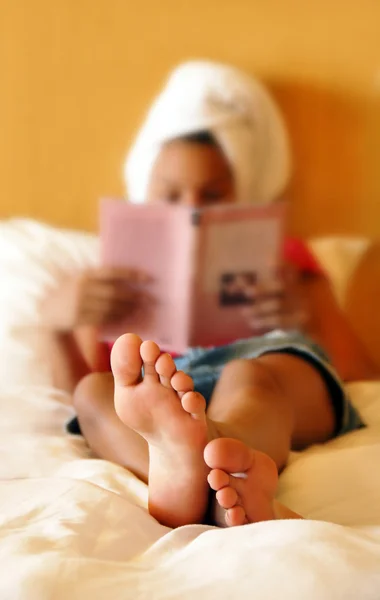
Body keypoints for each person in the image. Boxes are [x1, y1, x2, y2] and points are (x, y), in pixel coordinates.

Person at [44, 61, 378, 529]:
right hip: (168, 387)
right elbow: (72, 391)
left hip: (268, 367)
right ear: (145, 193)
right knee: (91, 393)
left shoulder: (288, 262)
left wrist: (307, 313)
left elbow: (363, 377)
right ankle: (208, 475)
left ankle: (208, 458)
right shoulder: (112, 277)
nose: (193, 210)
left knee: (249, 376)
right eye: (171, 195)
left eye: (213, 195)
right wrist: (63, 325)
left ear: (243, 198)